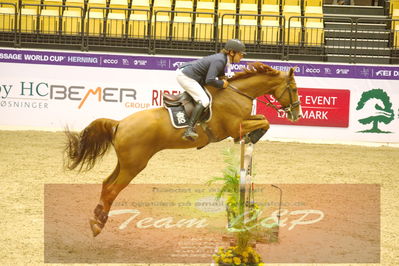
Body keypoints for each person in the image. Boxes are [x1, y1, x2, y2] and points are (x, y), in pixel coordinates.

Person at [176, 39, 246, 141]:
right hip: (186, 76)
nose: (242, 57)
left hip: (193, 75)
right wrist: (222, 84)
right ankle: (189, 129)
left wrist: (225, 81)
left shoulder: (224, 59)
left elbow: (221, 76)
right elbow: (210, 80)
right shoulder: (220, 60)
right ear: (231, 52)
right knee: (204, 100)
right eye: (240, 54)